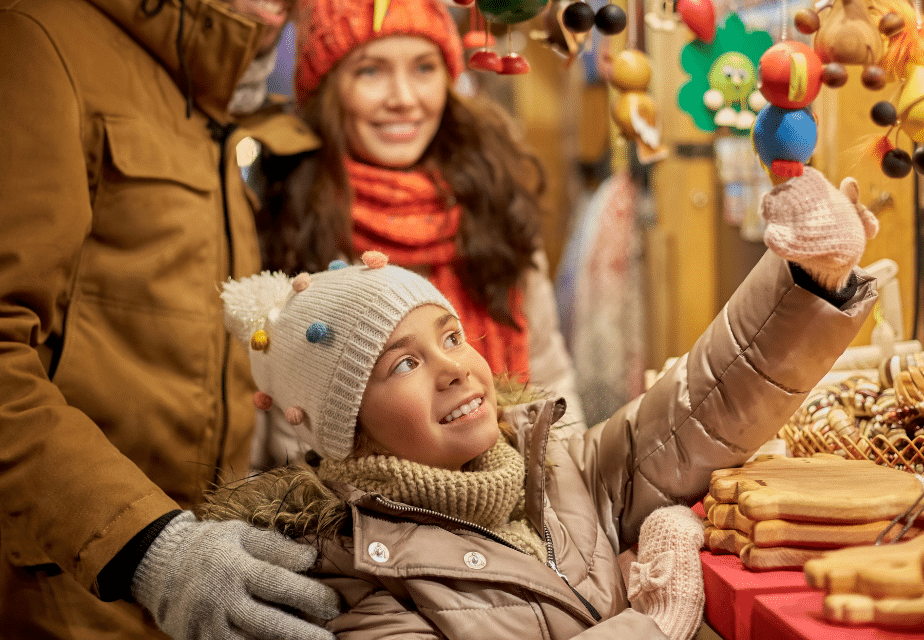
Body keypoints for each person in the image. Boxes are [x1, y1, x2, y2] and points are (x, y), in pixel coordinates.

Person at [208, 165, 879, 639]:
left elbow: (696, 410)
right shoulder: (359, 584)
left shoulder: (560, 470)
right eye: (404, 364)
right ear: (347, 429)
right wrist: (653, 623)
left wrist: (804, 280)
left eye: (451, 336)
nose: (452, 369)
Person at [0, 0, 348, 637]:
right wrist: (149, 548)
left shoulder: (201, 91)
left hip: (183, 592)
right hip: (63, 595)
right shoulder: (41, 41)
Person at [255, 0, 584, 467]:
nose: (404, 98)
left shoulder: (490, 197)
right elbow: (286, 437)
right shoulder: (289, 220)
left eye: (425, 68)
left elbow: (548, 377)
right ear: (326, 89)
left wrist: (566, 501)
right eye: (371, 72)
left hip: (519, 498)